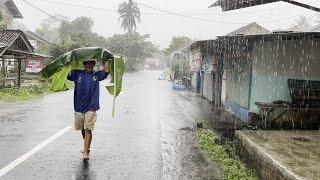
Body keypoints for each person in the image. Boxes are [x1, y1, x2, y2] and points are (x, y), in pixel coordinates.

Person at [67, 60, 109, 160]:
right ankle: (87, 146)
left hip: (91, 106)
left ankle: (85, 152)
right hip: (79, 106)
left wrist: (107, 59)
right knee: (82, 129)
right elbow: (66, 73)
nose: (89, 65)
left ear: (93, 65)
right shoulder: (77, 73)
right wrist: (66, 62)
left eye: (91, 64)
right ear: (84, 65)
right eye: (87, 64)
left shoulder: (97, 75)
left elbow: (106, 71)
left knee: (88, 129)